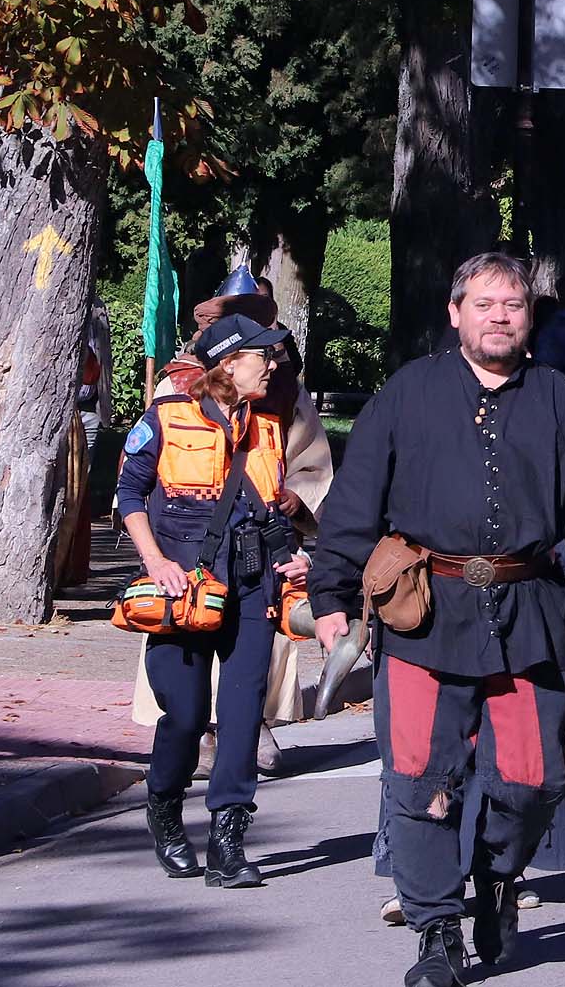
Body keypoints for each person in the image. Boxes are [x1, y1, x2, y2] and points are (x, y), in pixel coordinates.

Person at [309, 253, 565, 987]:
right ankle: (436, 933)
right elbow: (352, 505)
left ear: (530, 319)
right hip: (423, 615)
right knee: (419, 780)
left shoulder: (563, 403)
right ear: (455, 313)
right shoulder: (407, 395)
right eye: (485, 303)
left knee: (533, 782)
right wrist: (331, 603)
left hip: (530, 615)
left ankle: (495, 881)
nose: (500, 315)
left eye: (514, 305)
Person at [116, 313, 302, 887]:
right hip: (185, 589)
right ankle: (166, 809)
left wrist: (294, 558)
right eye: (260, 355)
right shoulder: (166, 418)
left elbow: (270, 510)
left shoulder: (267, 427)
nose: (271, 365)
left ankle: (229, 837)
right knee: (187, 714)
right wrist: (156, 562)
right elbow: (128, 495)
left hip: (252, 585)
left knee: (244, 712)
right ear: (228, 363)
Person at [132, 266, 335, 777]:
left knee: (248, 673)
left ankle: (246, 731)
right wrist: (157, 554)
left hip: (255, 551)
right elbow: (142, 479)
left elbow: (305, 457)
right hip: (188, 553)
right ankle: (187, 743)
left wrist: (294, 502)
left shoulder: (283, 386)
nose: (268, 360)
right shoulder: (176, 385)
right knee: (186, 683)